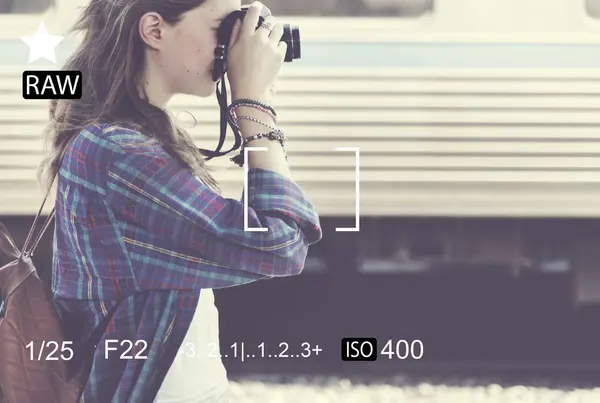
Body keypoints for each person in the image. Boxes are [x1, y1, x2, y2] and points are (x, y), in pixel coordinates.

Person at [37, 1, 322, 402]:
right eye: (221, 28)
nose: (232, 45)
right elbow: (280, 244)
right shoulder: (118, 152)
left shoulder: (134, 138)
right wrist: (254, 105)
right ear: (154, 30)